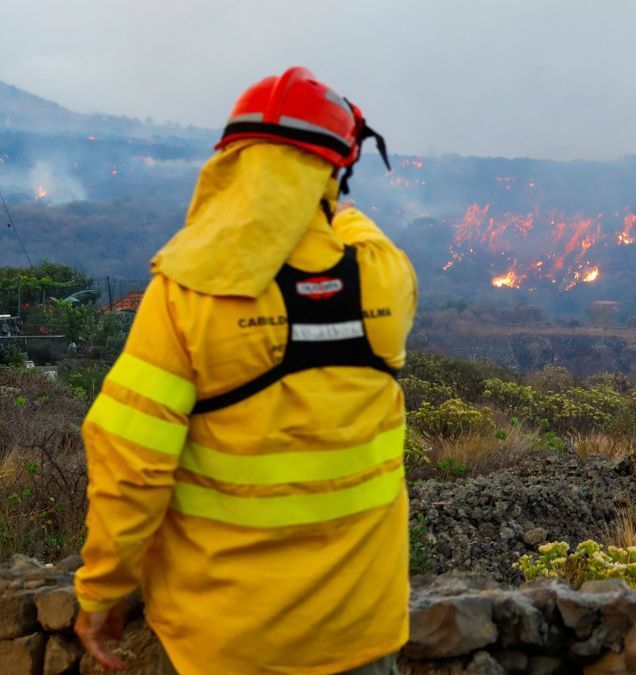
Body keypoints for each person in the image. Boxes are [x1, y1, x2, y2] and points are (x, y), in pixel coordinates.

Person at [72, 67, 417, 674]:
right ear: (332, 171)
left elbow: (130, 468)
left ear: (231, 162)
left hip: (225, 641)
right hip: (361, 633)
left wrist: (102, 590)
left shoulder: (185, 293)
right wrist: (333, 177)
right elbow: (348, 224)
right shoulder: (386, 276)